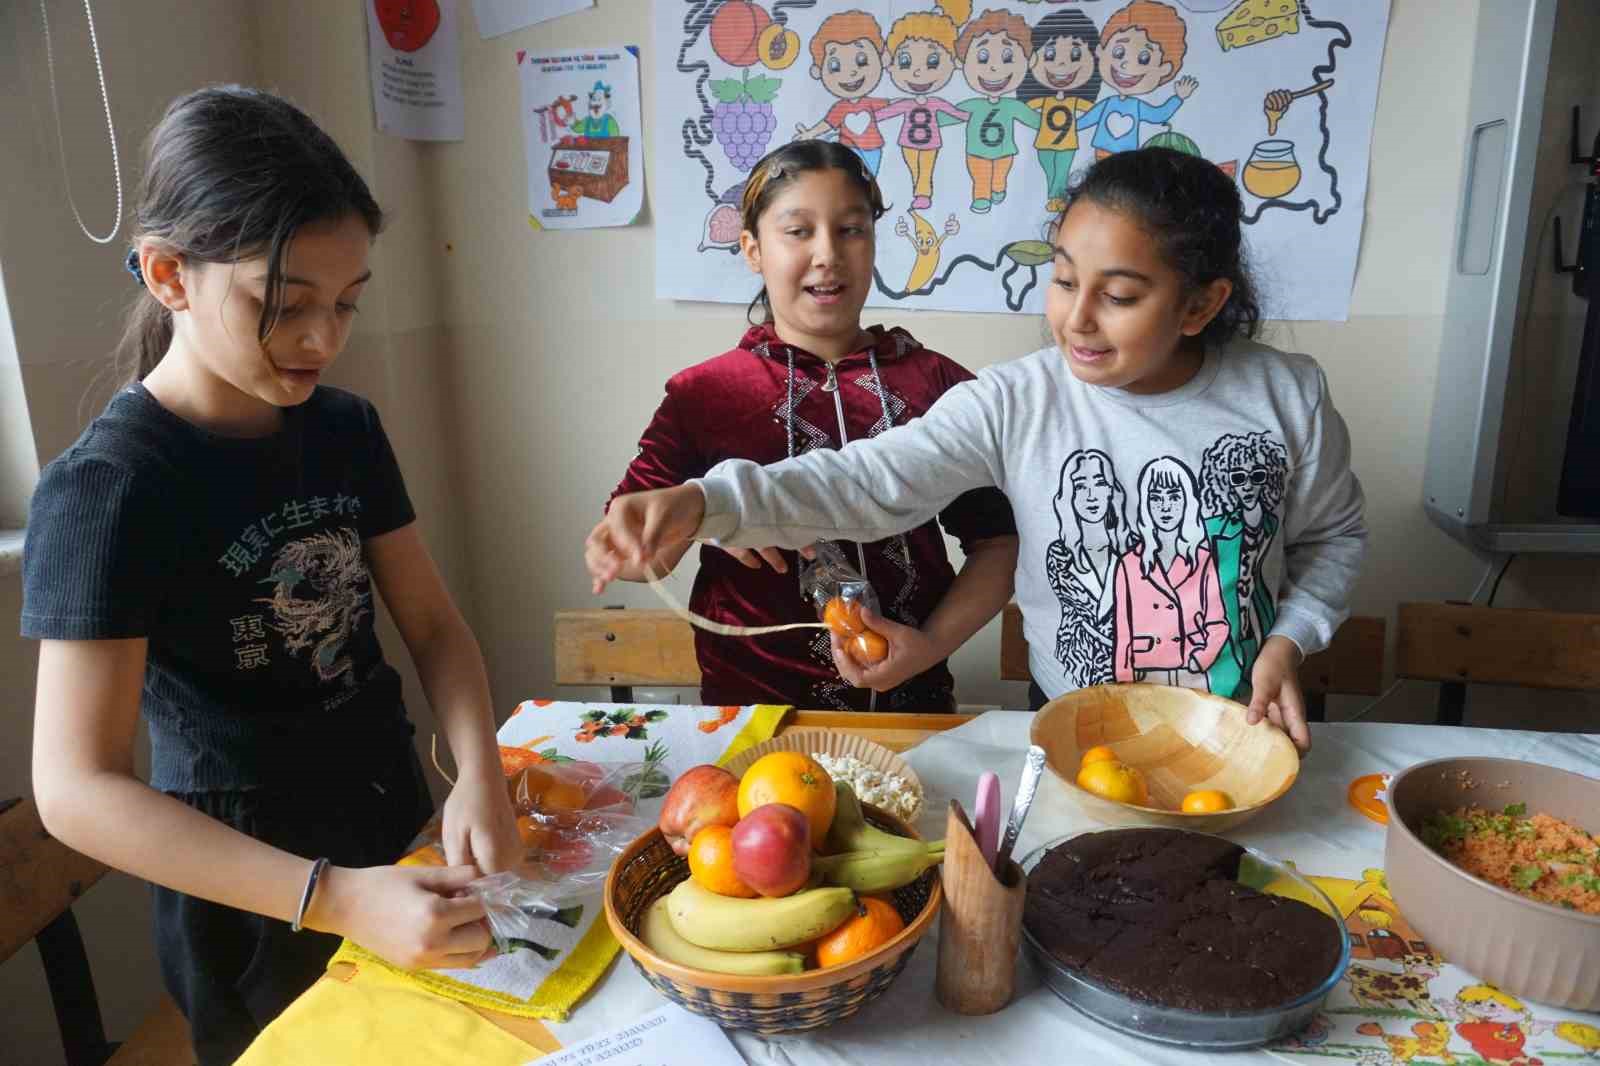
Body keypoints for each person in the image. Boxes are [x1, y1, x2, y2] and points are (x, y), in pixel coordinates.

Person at [23, 86, 520, 1066]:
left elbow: (432, 626)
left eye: (345, 302)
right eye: (284, 305)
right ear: (169, 273)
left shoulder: (345, 428)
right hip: (251, 899)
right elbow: (74, 788)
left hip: (390, 820)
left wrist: (480, 776)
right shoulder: (110, 487)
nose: (323, 339)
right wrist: (336, 896)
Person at [588, 147, 1367, 751]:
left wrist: (1288, 641)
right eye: (1064, 281)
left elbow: (1332, 538)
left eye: (1120, 296)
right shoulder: (1014, 400)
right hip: (1075, 726)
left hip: (1237, 727)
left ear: (1200, 304)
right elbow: (866, 480)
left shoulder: (1286, 395)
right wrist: (707, 500)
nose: (1077, 320)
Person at [591, 140, 1017, 711]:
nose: (827, 254)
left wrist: (930, 646)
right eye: (798, 231)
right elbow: (637, 558)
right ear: (752, 249)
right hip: (755, 718)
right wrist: (705, 517)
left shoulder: (938, 384)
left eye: (851, 229)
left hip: (912, 712)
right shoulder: (705, 395)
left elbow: (998, 541)